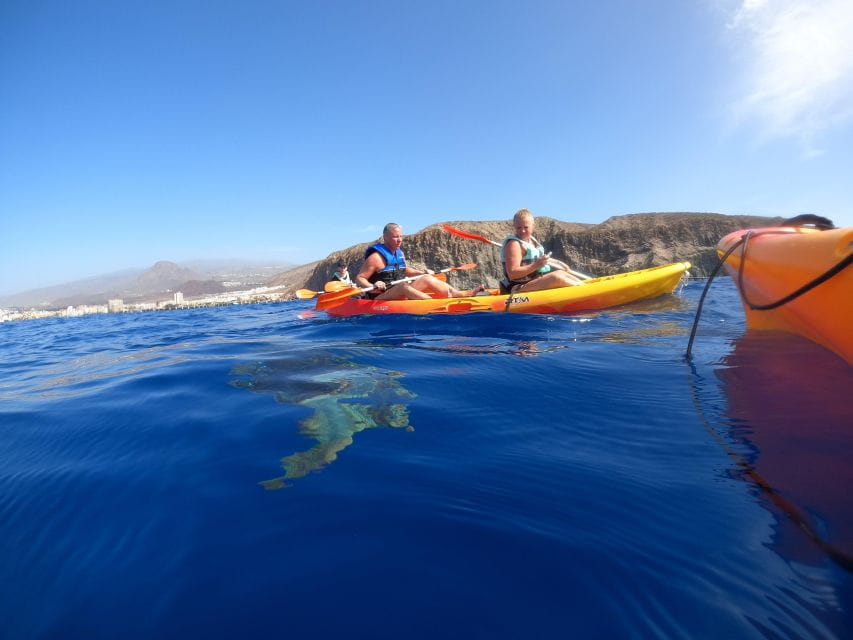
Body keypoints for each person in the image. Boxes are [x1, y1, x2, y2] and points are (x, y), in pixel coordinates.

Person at [357, 223, 485, 300]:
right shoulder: (375, 257)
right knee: (403, 286)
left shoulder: (399, 253)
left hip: (398, 291)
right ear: (385, 237)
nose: (399, 240)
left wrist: (422, 273)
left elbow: (405, 270)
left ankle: (459, 294)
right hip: (380, 296)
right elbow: (360, 278)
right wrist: (373, 286)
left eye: (401, 236)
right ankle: (431, 304)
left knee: (426, 278)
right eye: (396, 237)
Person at [501, 209, 583, 293]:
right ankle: (583, 292)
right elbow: (512, 274)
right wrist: (536, 265)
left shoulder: (532, 242)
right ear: (514, 226)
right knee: (556, 278)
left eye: (526, 227)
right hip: (518, 288)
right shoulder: (514, 244)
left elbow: (541, 259)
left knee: (561, 273)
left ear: (532, 226)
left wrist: (559, 263)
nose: (522, 230)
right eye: (519, 227)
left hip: (532, 281)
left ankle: (584, 286)